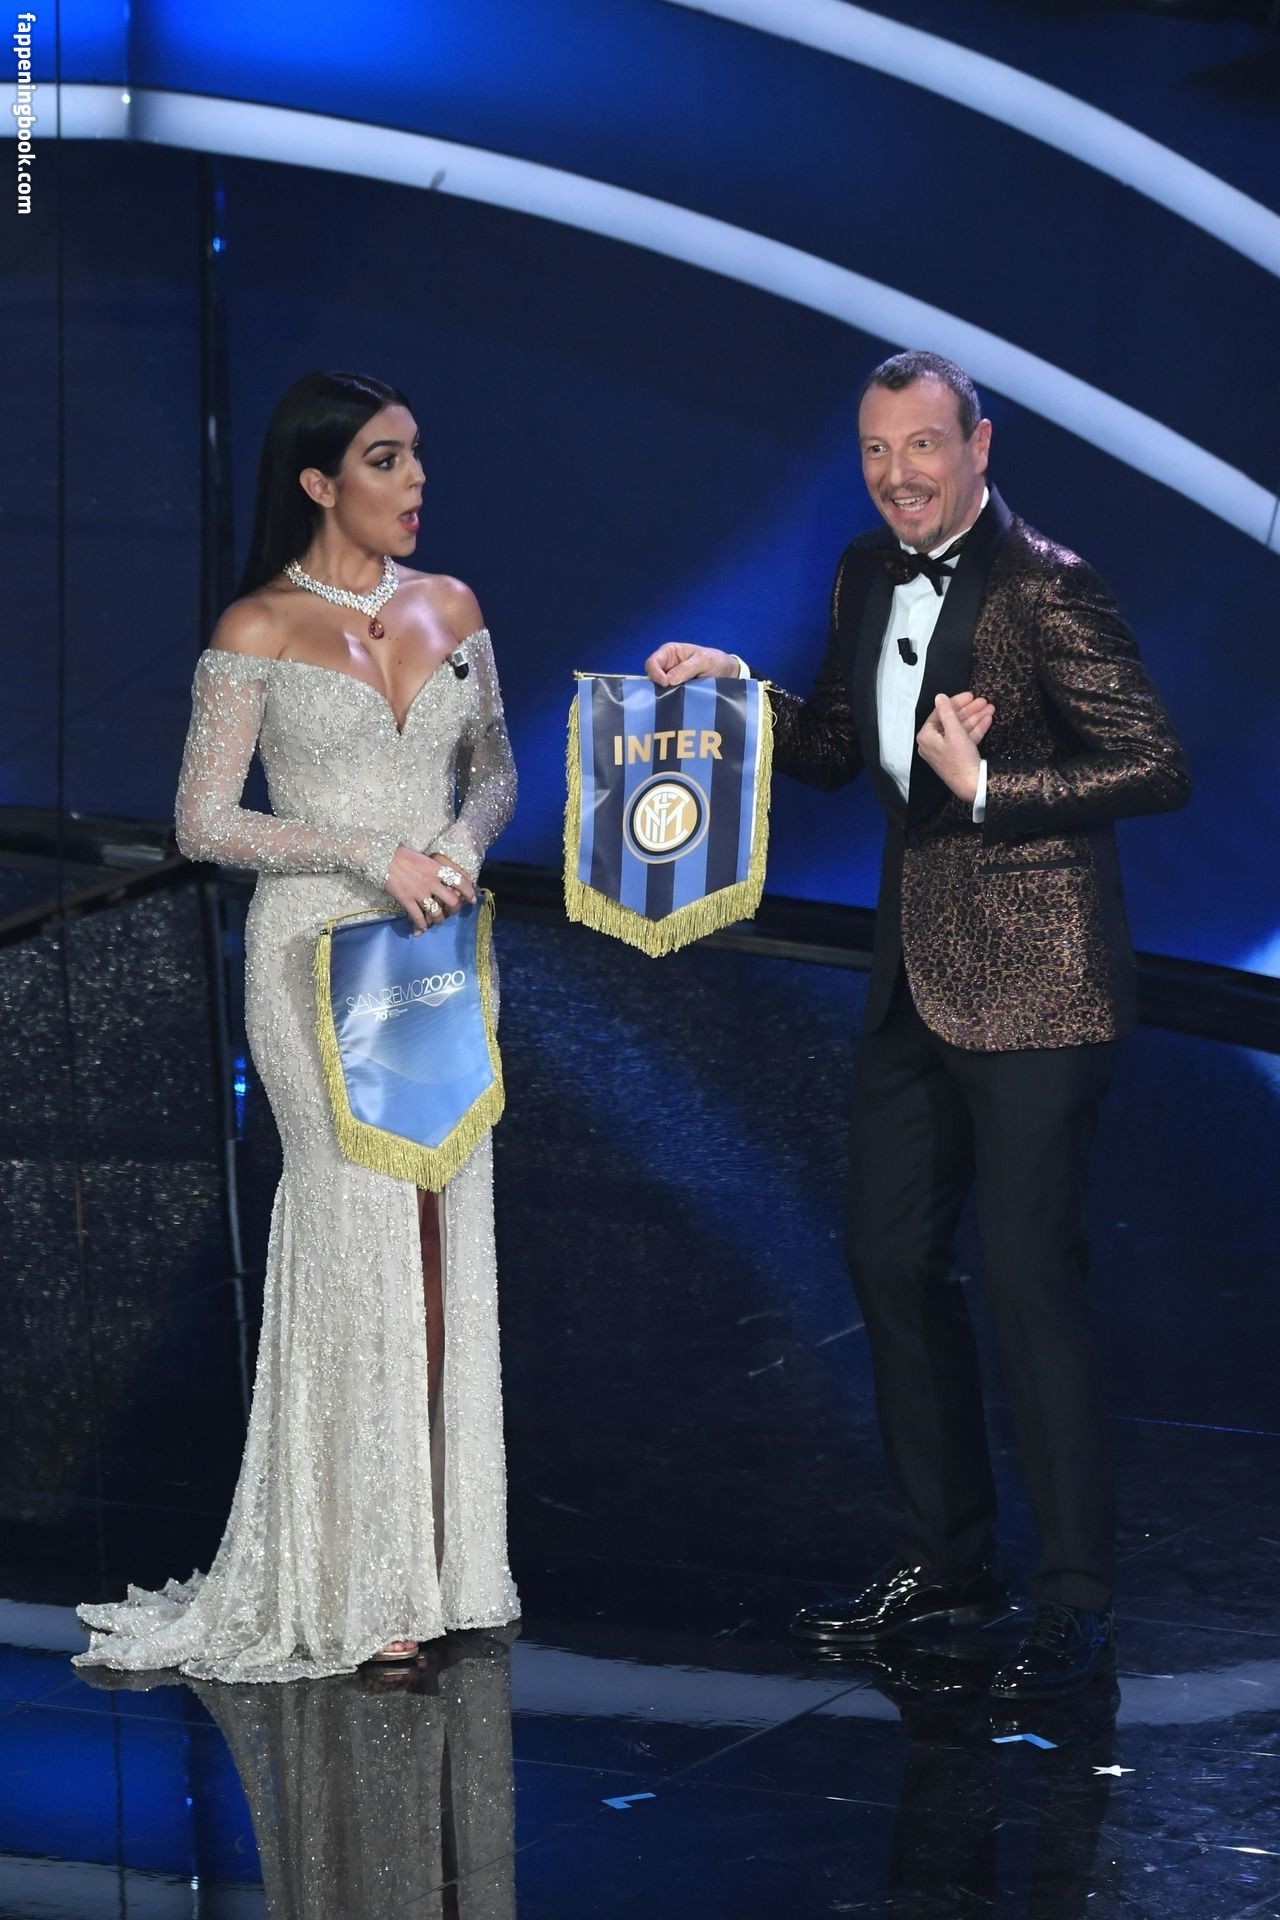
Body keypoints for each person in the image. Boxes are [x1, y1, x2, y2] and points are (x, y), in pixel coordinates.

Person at [645, 350, 1190, 1698]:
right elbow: (839, 747)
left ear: (979, 446)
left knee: (1027, 1282)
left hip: (1040, 982)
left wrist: (991, 788)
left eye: (923, 447)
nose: (897, 475)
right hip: (914, 980)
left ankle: (1075, 1603)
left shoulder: (1047, 585)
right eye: (877, 450)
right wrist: (738, 693)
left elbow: (1155, 763)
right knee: (889, 1261)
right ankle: (949, 1567)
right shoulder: (862, 572)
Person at [76, 370, 519, 1681]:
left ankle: (446, 1557)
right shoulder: (259, 626)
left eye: (416, 453)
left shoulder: (455, 607)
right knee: (355, 1226)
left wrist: (455, 843)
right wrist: (369, 852)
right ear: (320, 482)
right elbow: (202, 820)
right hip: (315, 958)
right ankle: (360, 1572)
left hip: (437, 949)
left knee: (442, 1224)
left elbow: (494, 770)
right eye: (386, 459)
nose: (415, 480)